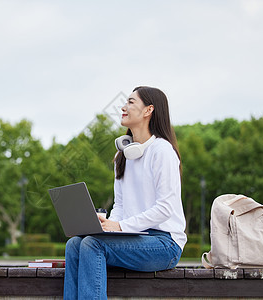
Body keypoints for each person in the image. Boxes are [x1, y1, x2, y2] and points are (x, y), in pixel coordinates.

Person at [63, 86, 187, 300]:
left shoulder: (162, 151)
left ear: (148, 110)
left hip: (165, 243)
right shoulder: (122, 155)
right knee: (74, 244)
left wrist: (120, 227)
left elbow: (166, 208)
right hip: (134, 236)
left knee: (93, 245)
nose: (123, 107)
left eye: (130, 102)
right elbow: (119, 205)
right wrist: (107, 225)